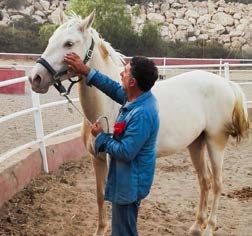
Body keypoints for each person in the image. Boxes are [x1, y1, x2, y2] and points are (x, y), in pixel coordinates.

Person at [64, 53, 160, 236]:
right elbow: (111, 87)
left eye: (125, 72)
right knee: (124, 228)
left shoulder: (142, 113)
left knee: (123, 231)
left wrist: (101, 137)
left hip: (129, 183)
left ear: (132, 82)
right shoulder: (136, 98)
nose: (121, 74)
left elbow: (125, 152)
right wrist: (85, 70)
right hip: (127, 179)